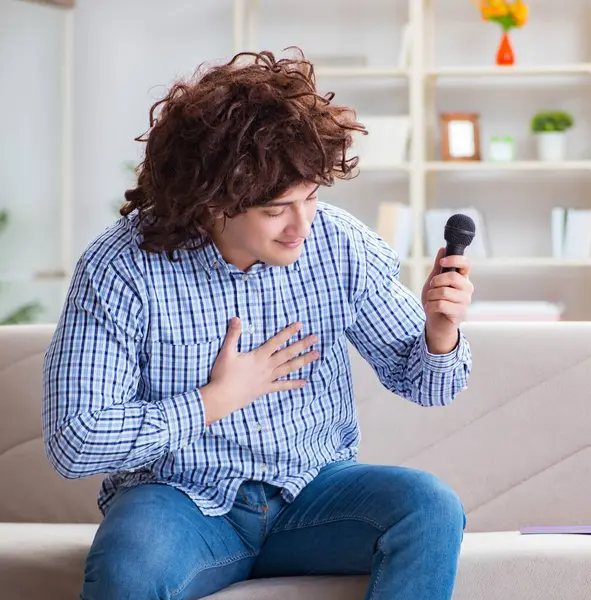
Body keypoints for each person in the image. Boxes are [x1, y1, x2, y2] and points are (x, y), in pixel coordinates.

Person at [42, 49, 474, 600]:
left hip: (313, 495)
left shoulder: (339, 244)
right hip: (180, 500)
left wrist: (440, 332)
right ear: (210, 201)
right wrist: (213, 400)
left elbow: (427, 385)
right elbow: (75, 441)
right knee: (131, 561)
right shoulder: (122, 267)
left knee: (430, 506)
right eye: (276, 209)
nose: (302, 225)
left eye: (312, 196)